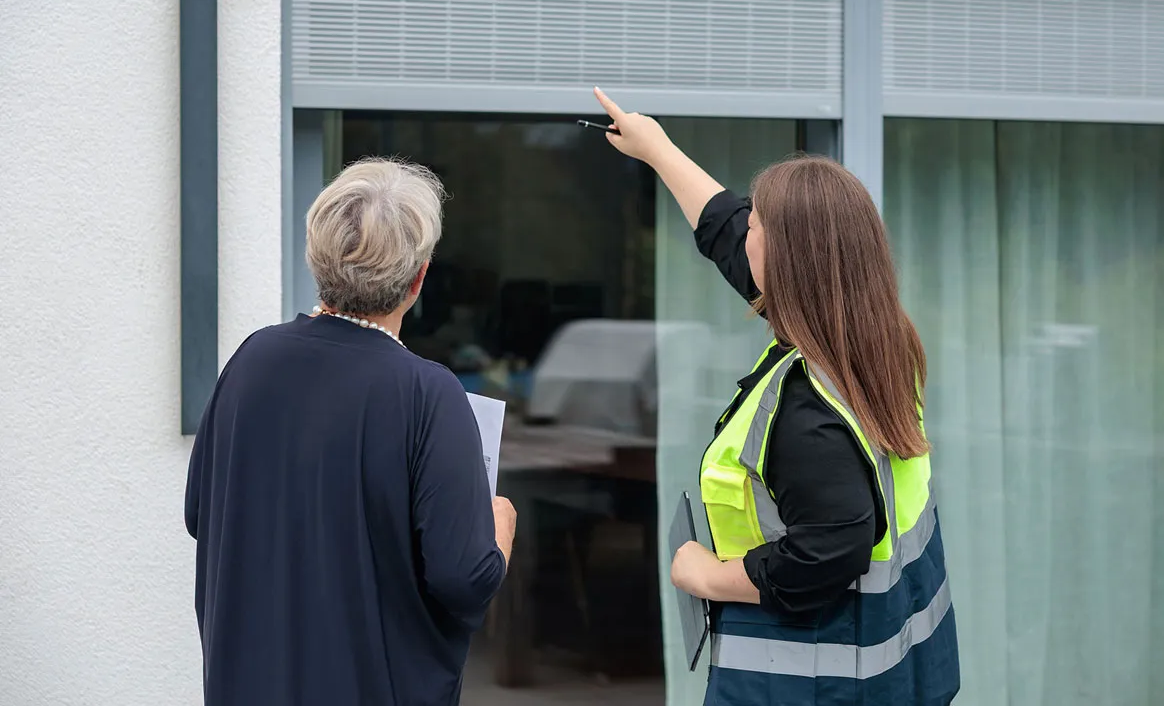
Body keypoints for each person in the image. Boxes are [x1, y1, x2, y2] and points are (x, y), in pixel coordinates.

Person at [593, 89, 961, 705]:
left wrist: (705, 574)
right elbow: (726, 229)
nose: (746, 236)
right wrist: (657, 150)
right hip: (892, 673)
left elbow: (829, 551)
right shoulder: (875, 338)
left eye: (758, 227)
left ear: (790, 259)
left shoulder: (807, 410)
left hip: (810, 682)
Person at [184, 159, 517, 706]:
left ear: (317, 258)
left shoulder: (250, 360)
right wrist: (499, 530)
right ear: (418, 278)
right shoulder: (428, 394)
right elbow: (464, 576)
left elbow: (202, 515)